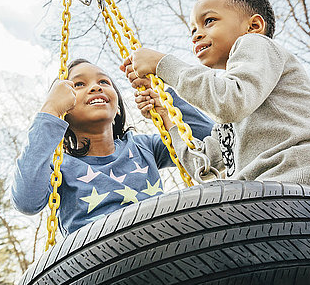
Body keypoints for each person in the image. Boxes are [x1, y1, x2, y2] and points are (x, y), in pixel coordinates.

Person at [122, 0, 310, 199]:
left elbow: (229, 102)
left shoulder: (256, 44)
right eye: (193, 30)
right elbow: (203, 168)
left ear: (253, 26)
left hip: (305, 184)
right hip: (268, 197)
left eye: (209, 21)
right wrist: (166, 118)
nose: (196, 34)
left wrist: (163, 64)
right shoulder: (235, 107)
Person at [11, 59, 214, 235]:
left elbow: (209, 142)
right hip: (96, 264)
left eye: (104, 82)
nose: (96, 87)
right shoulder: (61, 168)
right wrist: (50, 110)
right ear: (64, 109)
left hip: (159, 244)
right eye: (79, 84)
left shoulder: (144, 147)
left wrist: (167, 107)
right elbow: (26, 201)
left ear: (117, 109)